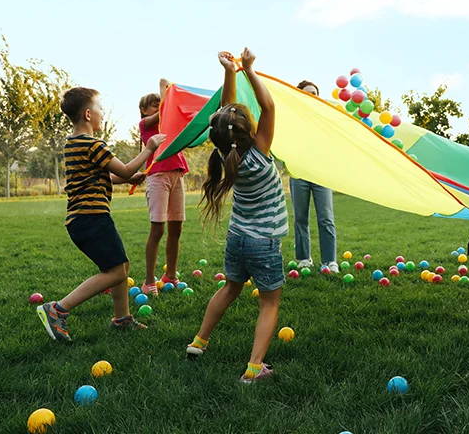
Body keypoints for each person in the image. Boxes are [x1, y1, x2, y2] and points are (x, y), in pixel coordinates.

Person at [186, 48, 287, 384]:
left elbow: (224, 114)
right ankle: (255, 369)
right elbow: (269, 106)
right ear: (247, 132)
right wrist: (250, 70)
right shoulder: (259, 154)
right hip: (264, 243)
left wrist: (231, 71)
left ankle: (199, 342)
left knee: (230, 288)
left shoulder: (224, 155)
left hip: (237, 239)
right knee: (269, 304)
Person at [37, 86, 165, 342]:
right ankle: (58, 309)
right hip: (91, 217)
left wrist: (126, 177)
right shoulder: (92, 144)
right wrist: (149, 148)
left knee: (121, 266)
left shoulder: (74, 144)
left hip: (84, 219)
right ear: (87, 114)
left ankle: (122, 319)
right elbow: (126, 170)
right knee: (116, 271)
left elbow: (106, 175)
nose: (102, 113)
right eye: (100, 108)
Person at [137, 80, 189, 295]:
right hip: (158, 176)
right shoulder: (145, 125)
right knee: (158, 229)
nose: (159, 106)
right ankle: (149, 281)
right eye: (154, 104)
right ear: (143, 110)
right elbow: (163, 113)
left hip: (177, 174)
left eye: (160, 102)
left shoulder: (169, 122)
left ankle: (171, 275)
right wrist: (164, 92)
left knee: (176, 228)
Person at [290, 79, 339, 273]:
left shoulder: (324, 117)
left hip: (321, 174)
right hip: (299, 172)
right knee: (300, 217)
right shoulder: (292, 118)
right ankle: (304, 258)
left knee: (326, 217)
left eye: (315, 93)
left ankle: (330, 261)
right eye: (308, 93)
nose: (313, 96)